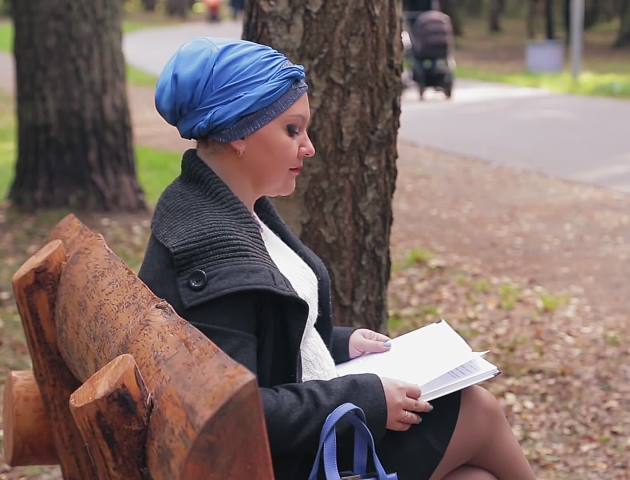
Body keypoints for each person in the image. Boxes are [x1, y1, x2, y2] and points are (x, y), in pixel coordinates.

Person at [139, 37, 536, 480]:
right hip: (286, 461)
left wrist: (338, 343)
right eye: (292, 129)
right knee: (476, 410)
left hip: (300, 442)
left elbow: (256, 338)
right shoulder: (213, 250)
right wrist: (366, 397)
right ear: (237, 133)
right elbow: (234, 413)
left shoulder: (224, 204)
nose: (308, 147)